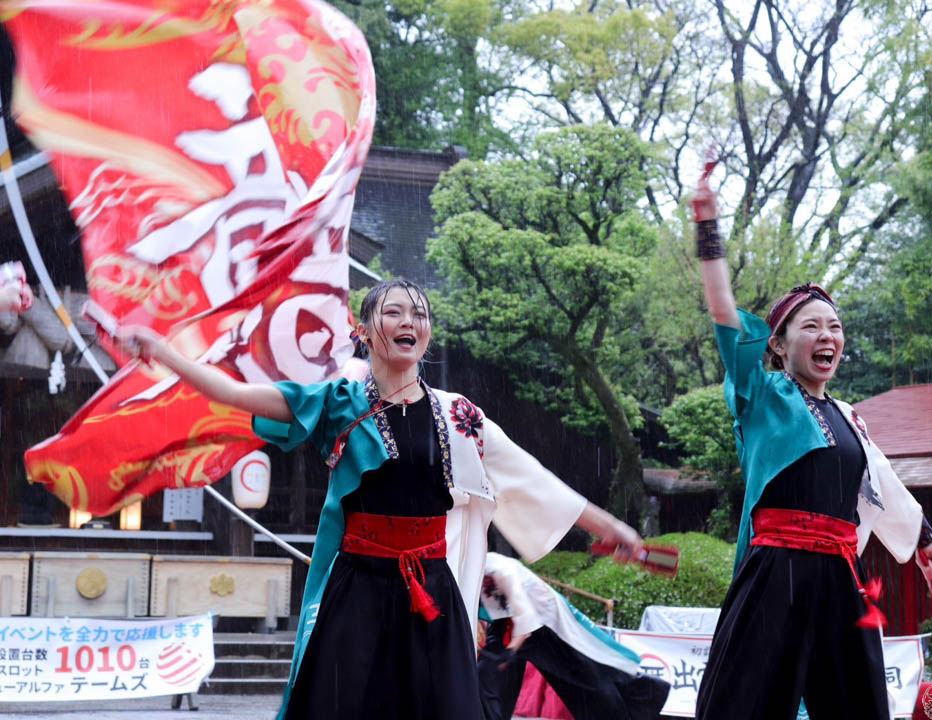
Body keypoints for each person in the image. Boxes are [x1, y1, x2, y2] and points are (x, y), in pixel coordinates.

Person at [123, 278, 647, 720]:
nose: (409, 321)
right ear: (364, 332)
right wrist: (165, 353)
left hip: (432, 592)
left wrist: (610, 527)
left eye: (419, 314)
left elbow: (530, 479)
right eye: (393, 312)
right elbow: (236, 395)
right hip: (359, 589)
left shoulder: (458, 415)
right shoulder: (340, 403)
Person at [689, 173, 932, 720]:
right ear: (778, 346)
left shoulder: (849, 417)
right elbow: (724, 314)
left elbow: (882, 482)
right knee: (747, 705)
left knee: (858, 707)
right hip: (775, 574)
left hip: (840, 579)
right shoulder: (763, 396)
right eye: (811, 327)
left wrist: (924, 539)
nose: (828, 336)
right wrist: (708, 227)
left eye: (835, 326)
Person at [477, 551, 670, 720]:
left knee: (585, 678)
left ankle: (641, 696)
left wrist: (510, 651)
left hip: (544, 620)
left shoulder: (499, 569)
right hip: (505, 622)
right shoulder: (466, 572)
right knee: (487, 674)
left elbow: (526, 617)